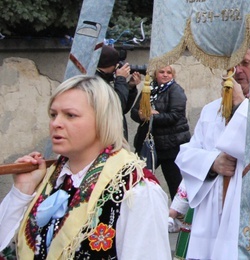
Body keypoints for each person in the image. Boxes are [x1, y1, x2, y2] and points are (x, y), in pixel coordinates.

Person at [0, 75, 170, 258]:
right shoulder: (48, 179)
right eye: (53, 114)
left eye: (70, 115)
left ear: (102, 120)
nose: (56, 123)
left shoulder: (135, 189)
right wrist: (21, 192)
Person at [175, 47, 250, 259]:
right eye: (231, 64)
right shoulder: (211, 109)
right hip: (212, 215)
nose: (237, 70)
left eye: (244, 63)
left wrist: (241, 105)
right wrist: (213, 163)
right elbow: (186, 155)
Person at [131, 64, 191, 199]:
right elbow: (134, 112)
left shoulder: (176, 90)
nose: (165, 75)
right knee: (138, 179)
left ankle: (179, 216)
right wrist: (142, 115)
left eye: (169, 72)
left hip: (170, 146)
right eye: (162, 72)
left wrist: (153, 116)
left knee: (174, 184)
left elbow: (175, 116)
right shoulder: (148, 89)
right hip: (149, 145)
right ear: (155, 74)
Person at [96, 44, 140, 139]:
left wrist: (129, 87)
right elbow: (117, 106)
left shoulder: (104, 78)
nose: (117, 67)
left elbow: (122, 110)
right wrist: (121, 79)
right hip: (106, 137)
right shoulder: (95, 82)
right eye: (116, 64)